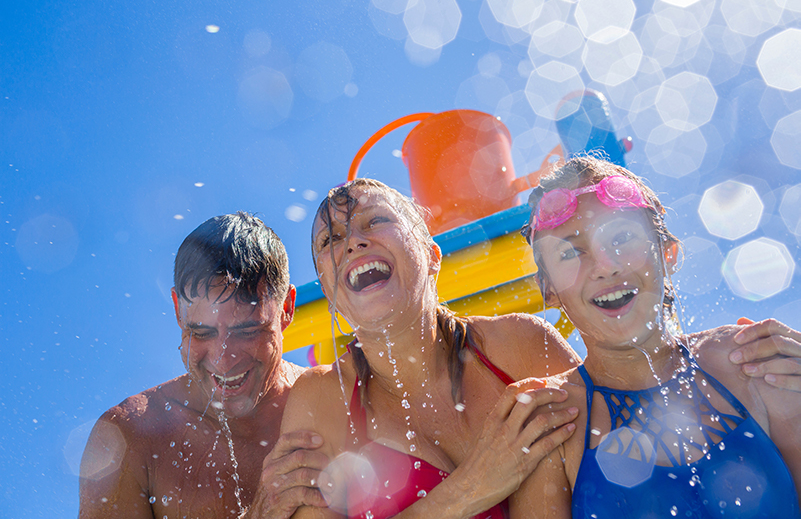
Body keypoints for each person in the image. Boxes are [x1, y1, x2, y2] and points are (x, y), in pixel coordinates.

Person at [511, 156, 801, 518]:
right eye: (570, 251)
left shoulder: (749, 361)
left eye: (620, 237)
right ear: (549, 290)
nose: (605, 264)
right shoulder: (553, 426)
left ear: (667, 252)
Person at [278, 179, 582, 519]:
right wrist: (472, 488)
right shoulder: (321, 401)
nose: (353, 242)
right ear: (328, 291)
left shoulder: (522, 344)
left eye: (375, 221)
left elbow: (615, 471)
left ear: (431, 254)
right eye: (331, 239)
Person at [79, 212, 330, 519]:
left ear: (287, 309)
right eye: (201, 332)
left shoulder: (332, 404)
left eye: (247, 332)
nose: (223, 360)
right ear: (177, 311)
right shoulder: (131, 437)